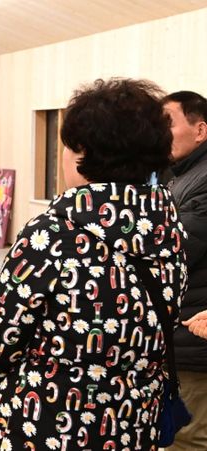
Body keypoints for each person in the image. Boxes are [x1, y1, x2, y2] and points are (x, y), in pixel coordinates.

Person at [0, 78, 188, 450]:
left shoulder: (52, 234)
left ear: (82, 152)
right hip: (134, 425)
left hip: (45, 425)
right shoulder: (169, 229)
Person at [162, 90, 207, 451]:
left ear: (200, 130)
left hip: (196, 338)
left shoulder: (202, 180)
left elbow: (175, 249)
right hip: (182, 334)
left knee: (189, 439)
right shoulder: (177, 174)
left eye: (168, 123)